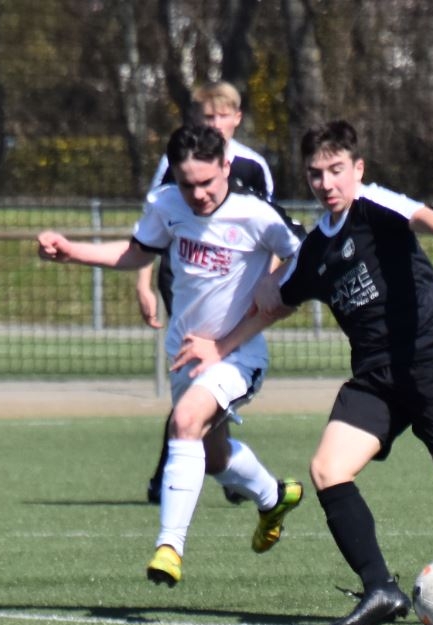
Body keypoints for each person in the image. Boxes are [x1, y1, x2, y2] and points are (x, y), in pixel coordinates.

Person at [172, 119, 433, 625]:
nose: (327, 183)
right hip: (376, 381)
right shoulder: (315, 250)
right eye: (316, 173)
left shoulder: (373, 207)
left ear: (358, 169)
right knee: (327, 469)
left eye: (336, 170)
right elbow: (275, 306)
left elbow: (422, 216)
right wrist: (220, 344)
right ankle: (381, 589)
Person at [38, 124, 304, 588]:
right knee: (213, 458)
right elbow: (137, 253)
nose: (198, 194)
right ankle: (273, 497)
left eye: (207, 182)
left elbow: (307, 256)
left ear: (226, 166)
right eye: (187, 184)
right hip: (186, 357)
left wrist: (273, 279)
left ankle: (169, 547)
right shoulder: (167, 205)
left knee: (184, 422)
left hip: (239, 355)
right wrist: (71, 251)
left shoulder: (256, 214)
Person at [138, 80, 276, 506]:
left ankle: (204, 468)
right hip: (187, 278)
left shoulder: (252, 167)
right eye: (206, 117)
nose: (214, 123)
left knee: (205, 385)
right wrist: (143, 282)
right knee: (196, 376)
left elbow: (270, 231)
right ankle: (202, 468)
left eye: (222, 116)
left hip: (235, 284)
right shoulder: (176, 162)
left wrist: (269, 282)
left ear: (237, 119)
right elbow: (152, 226)